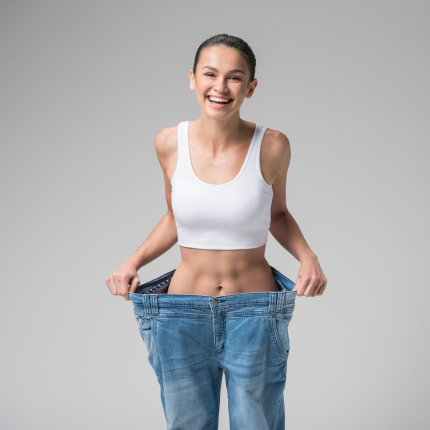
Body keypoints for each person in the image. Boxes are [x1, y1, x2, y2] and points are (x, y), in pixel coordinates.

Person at [106, 33, 327, 430]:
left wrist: (308, 257)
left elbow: (277, 214)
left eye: (234, 77)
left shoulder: (272, 145)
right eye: (210, 74)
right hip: (181, 315)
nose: (220, 87)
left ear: (250, 87)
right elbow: (174, 218)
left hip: (254, 312)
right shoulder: (169, 142)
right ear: (193, 78)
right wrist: (131, 262)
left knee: (257, 424)